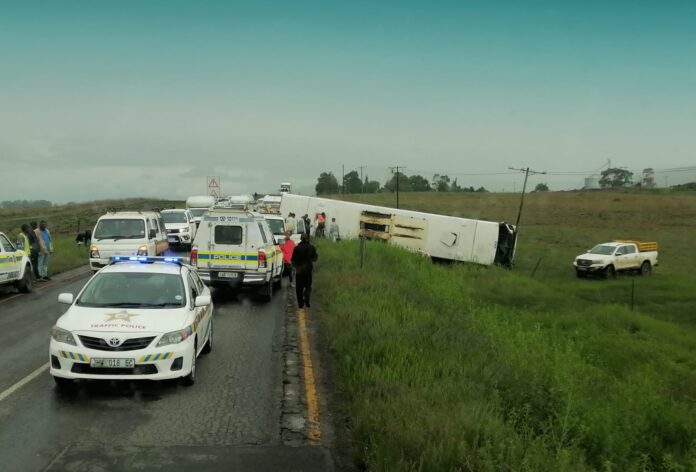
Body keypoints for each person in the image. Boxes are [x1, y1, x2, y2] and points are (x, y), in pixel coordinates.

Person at [291, 233, 318, 309]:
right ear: (307, 239)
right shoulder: (312, 248)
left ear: (301, 238)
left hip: (299, 271)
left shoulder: (297, 248)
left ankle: (300, 303)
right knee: (308, 286)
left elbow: (293, 260)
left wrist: (293, 268)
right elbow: (315, 258)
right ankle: (307, 299)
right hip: (308, 270)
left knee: (299, 288)